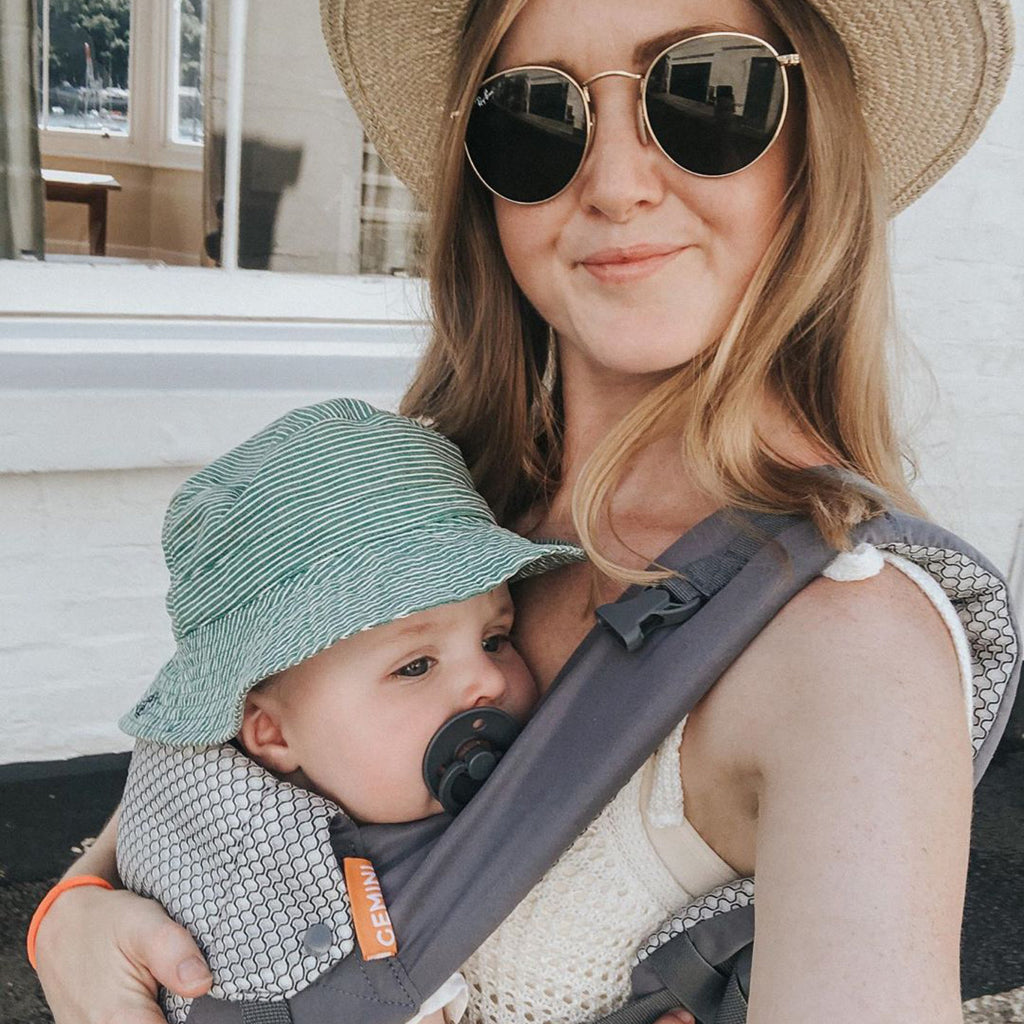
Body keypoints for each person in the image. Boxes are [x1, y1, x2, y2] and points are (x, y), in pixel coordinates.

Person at [31, 0, 1017, 1022]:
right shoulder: (430, 501)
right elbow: (207, 774)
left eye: (706, 94)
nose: (617, 184)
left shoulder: (851, 644)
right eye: (538, 116)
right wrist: (71, 913)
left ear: (812, 152)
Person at [111, 398, 584, 1024]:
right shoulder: (256, 911)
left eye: (495, 638)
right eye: (414, 666)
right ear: (273, 734)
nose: (488, 679)